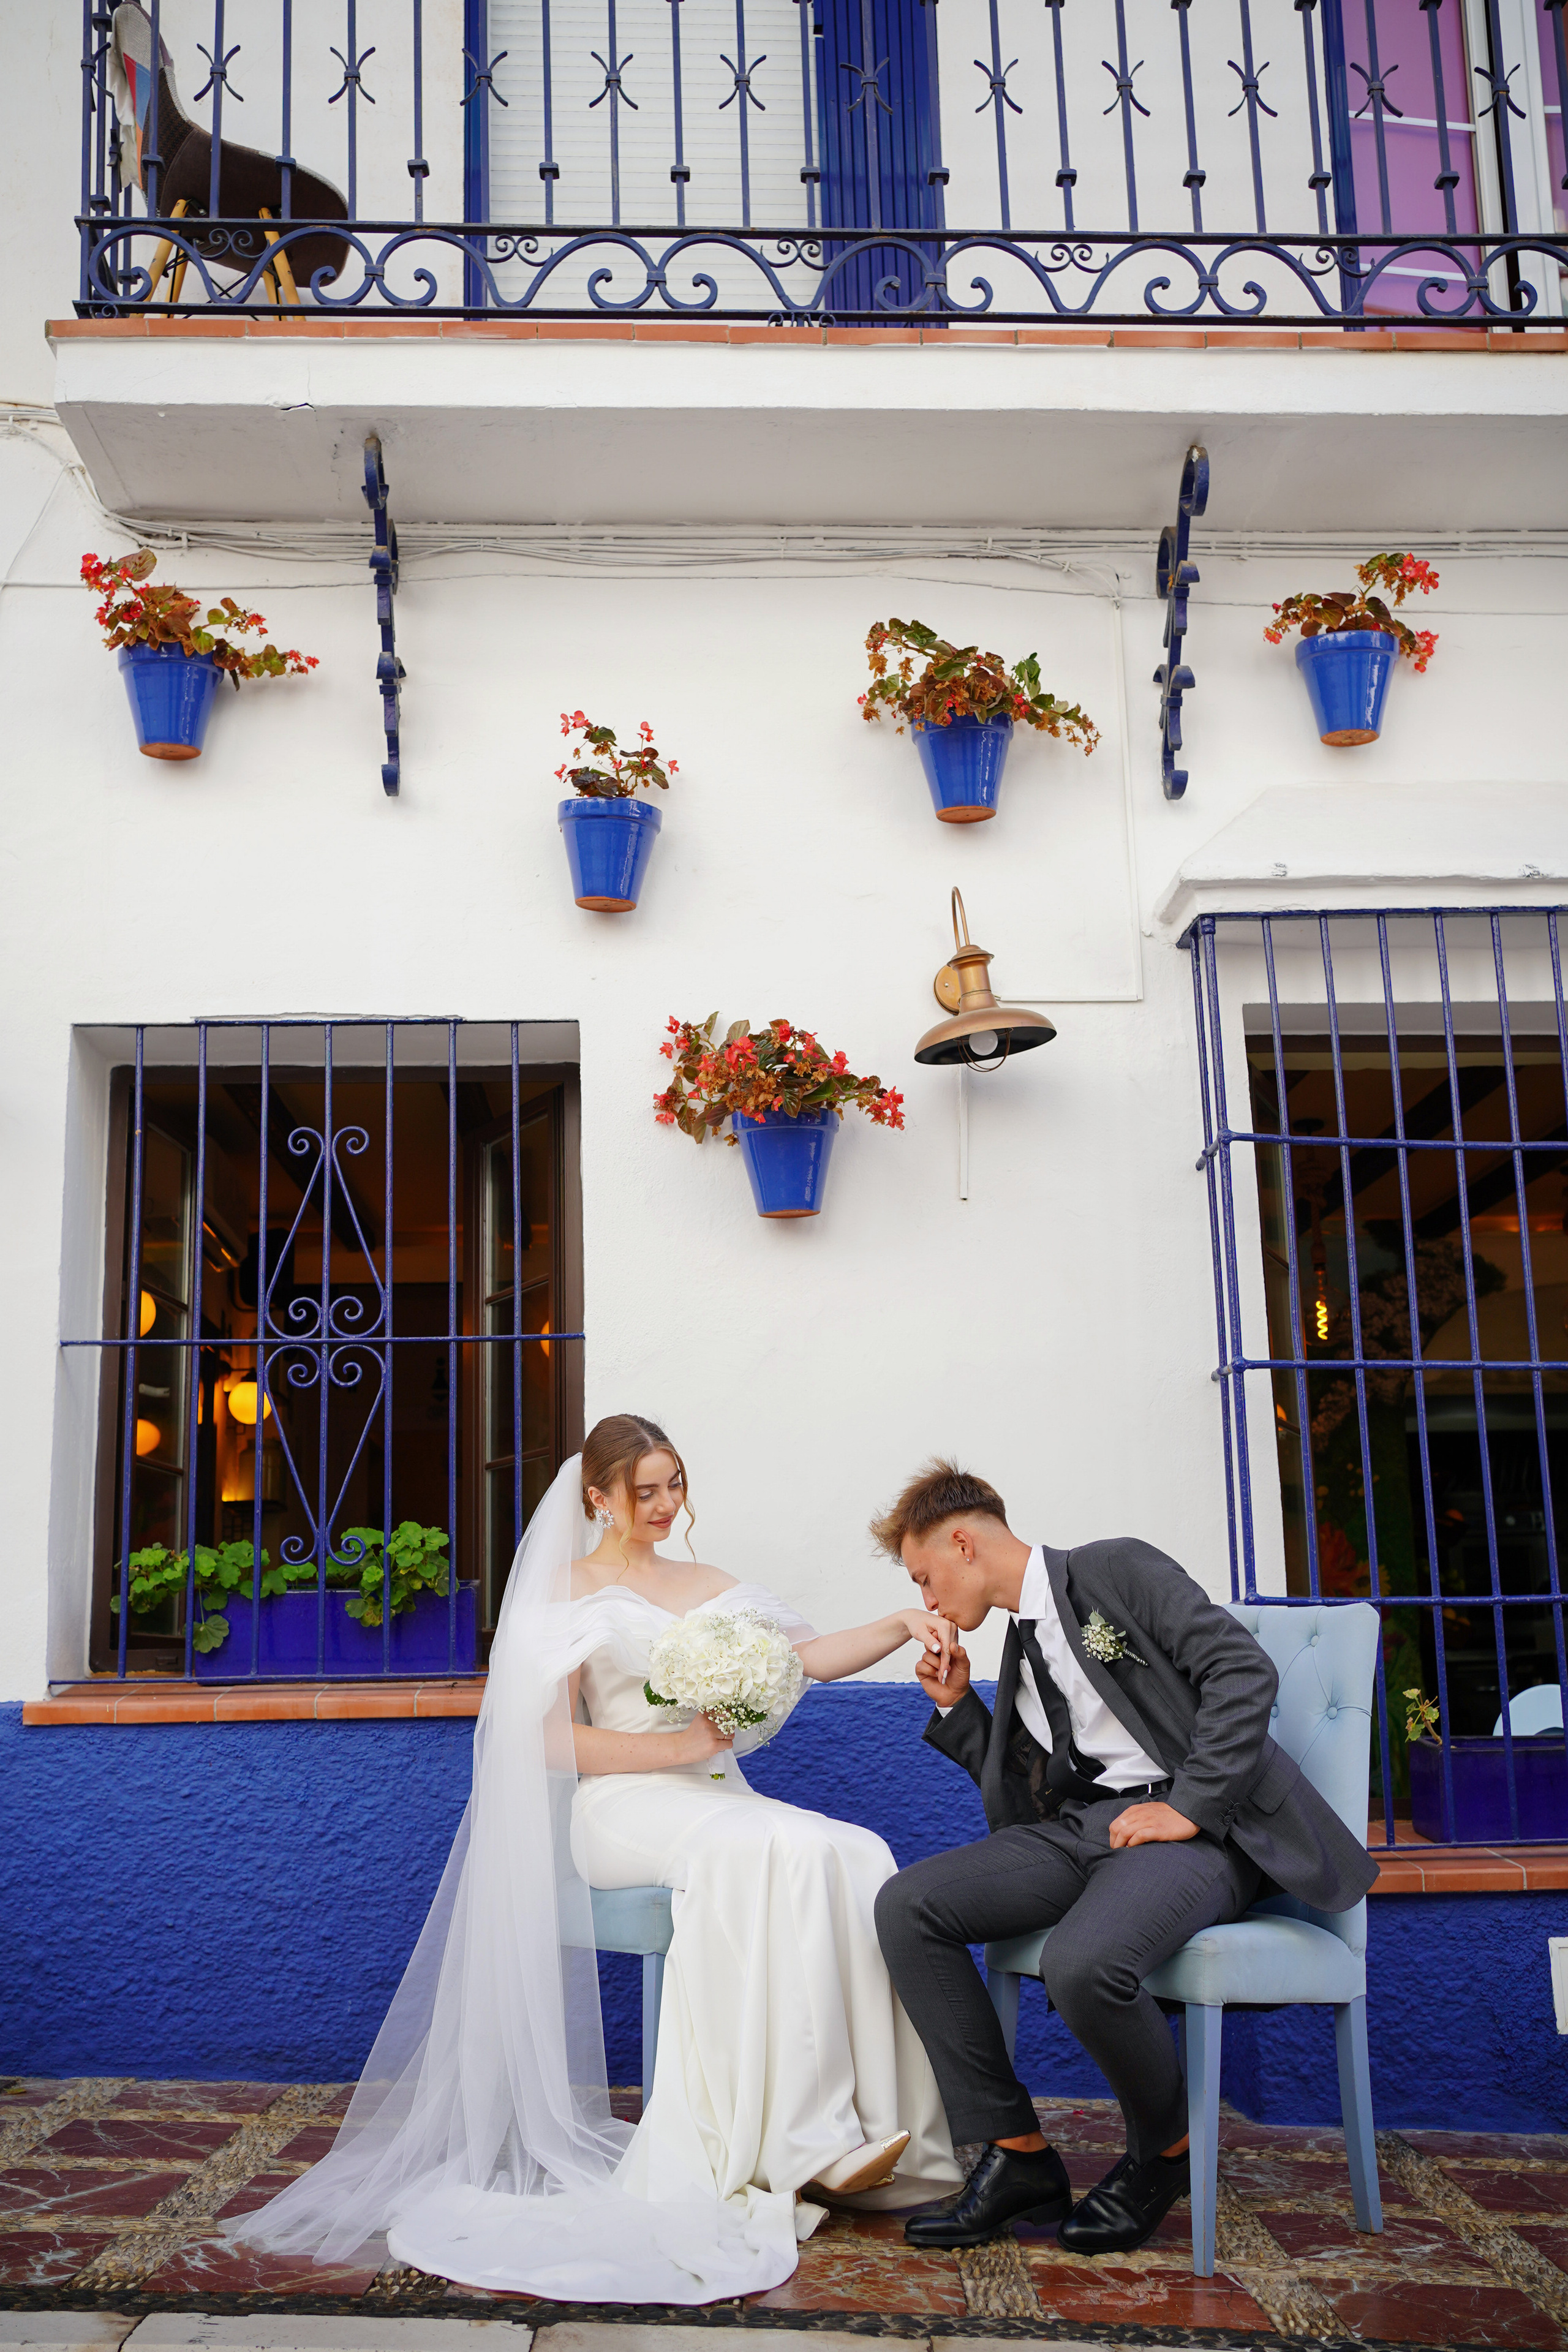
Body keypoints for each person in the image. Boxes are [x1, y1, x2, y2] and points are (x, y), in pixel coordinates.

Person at [232, 1416, 960, 2302]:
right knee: (766, 1848)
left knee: (853, 1849)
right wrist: (681, 1749)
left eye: (674, 1484)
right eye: (644, 1490)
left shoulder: (708, 1584)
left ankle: (881, 2130)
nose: (663, 1505)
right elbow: (544, 1742)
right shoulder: (563, 1592)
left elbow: (804, 1660)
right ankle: (801, 2143)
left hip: (716, 1798)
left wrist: (896, 1622)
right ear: (597, 1497)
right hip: (622, 1807)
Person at [870, 1461, 1378, 2256]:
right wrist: (957, 1708)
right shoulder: (1022, 1641)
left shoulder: (1114, 1567)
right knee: (907, 1905)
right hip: (1088, 1833)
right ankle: (1016, 2155)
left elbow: (1242, 1672)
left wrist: (1189, 1806)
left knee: (1083, 1963)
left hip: (1201, 1832)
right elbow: (1026, 1793)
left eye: (926, 1579)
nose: (928, 1604)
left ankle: (1163, 2150)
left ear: (963, 1542)